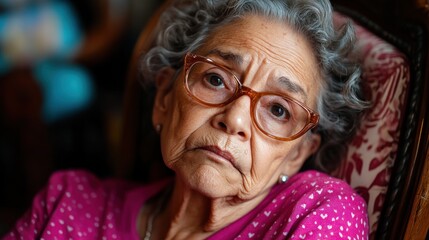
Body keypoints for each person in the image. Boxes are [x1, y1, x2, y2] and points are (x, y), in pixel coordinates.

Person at [3, 0, 370, 239]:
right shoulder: (67, 204)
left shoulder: (318, 214)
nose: (235, 118)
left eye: (278, 110)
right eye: (215, 79)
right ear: (164, 98)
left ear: (297, 153)